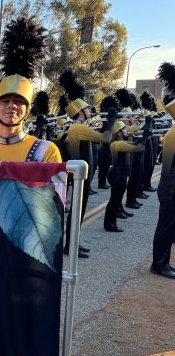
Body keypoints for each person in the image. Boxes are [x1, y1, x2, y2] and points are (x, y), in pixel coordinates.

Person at [0, 17, 61, 163]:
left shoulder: (46, 152)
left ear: (28, 109)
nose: (12, 105)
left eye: (18, 101)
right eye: (5, 101)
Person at [59, 69, 115, 258]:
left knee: (78, 212)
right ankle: (70, 245)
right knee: (77, 211)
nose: (91, 111)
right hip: (80, 176)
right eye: (88, 109)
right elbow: (106, 138)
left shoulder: (78, 127)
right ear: (80, 112)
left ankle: (74, 242)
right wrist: (112, 119)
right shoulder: (78, 128)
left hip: (82, 175)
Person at [150, 62, 175, 279]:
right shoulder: (173, 134)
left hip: (172, 188)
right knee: (165, 229)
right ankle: (159, 263)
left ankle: (164, 261)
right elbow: (166, 170)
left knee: (170, 229)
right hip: (170, 189)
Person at [103, 120, 145, 232]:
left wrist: (143, 136)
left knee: (115, 200)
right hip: (118, 175)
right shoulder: (118, 143)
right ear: (119, 132)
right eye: (124, 129)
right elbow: (138, 148)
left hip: (117, 174)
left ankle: (110, 223)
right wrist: (145, 137)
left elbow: (134, 144)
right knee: (115, 200)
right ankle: (110, 224)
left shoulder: (119, 142)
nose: (127, 130)